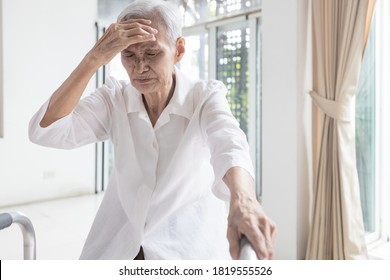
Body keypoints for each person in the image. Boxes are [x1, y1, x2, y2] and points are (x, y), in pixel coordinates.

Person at [29, 0, 276, 260]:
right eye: (129, 55)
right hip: (118, 248)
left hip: (185, 251)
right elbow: (46, 130)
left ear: (178, 50)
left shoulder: (204, 97)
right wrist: (93, 59)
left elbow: (230, 144)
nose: (139, 68)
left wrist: (244, 200)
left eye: (152, 53)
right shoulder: (115, 98)